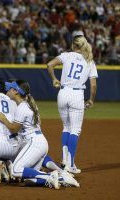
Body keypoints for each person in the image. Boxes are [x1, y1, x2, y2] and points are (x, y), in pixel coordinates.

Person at [0, 80, 79, 189]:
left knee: (16, 170)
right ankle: (63, 177)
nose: (8, 90)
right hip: (40, 141)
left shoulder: (22, 107)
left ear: (16, 91)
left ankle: (53, 176)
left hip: (34, 142)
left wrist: (3, 119)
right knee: (30, 178)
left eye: (10, 88)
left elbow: (14, 129)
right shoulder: (29, 105)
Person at [47, 34, 98, 174]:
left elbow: (50, 64)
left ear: (73, 45)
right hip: (76, 95)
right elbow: (93, 86)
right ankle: (70, 165)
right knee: (75, 130)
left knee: (66, 127)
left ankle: (65, 161)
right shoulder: (89, 61)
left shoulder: (66, 55)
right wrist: (91, 99)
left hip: (63, 93)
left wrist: (54, 79)